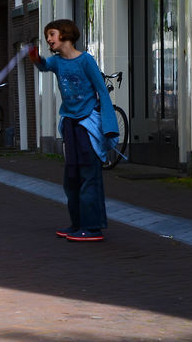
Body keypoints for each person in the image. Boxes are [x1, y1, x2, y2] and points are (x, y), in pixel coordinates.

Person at [28, 19, 119, 242]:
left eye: (51, 34)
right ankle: (77, 224)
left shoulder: (86, 60)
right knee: (72, 175)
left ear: (65, 34)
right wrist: (35, 57)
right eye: (47, 35)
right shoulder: (57, 62)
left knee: (89, 174)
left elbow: (102, 91)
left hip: (87, 122)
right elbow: (43, 66)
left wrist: (109, 127)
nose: (48, 39)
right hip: (69, 122)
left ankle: (93, 228)